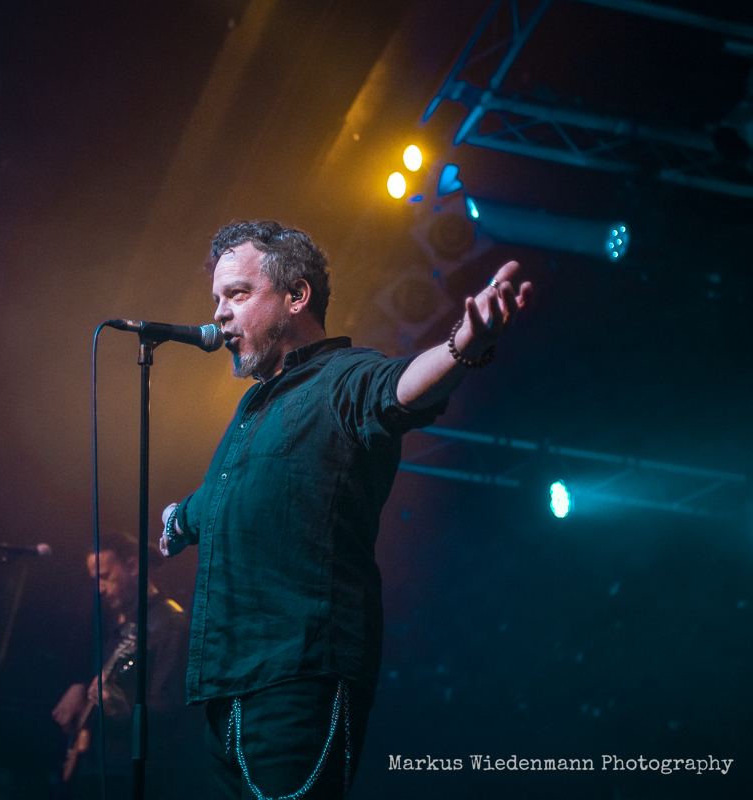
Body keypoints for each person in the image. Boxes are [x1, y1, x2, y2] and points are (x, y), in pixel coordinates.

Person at [159, 220, 532, 799]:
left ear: (296, 295)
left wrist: (463, 345)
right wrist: (178, 520)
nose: (221, 314)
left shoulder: (346, 376)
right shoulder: (252, 408)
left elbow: (401, 387)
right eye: (217, 299)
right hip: (225, 686)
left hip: (299, 677)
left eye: (237, 294)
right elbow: (227, 498)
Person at [51, 532, 202, 799]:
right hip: (101, 767)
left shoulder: (169, 626)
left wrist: (120, 709)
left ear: (132, 567)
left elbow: (171, 710)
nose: (99, 588)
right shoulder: (120, 623)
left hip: (136, 778)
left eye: (105, 577)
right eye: (95, 579)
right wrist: (82, 689)